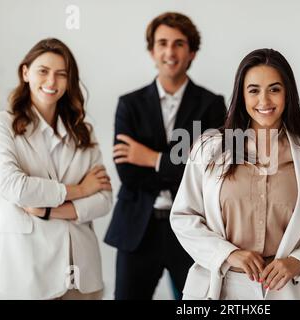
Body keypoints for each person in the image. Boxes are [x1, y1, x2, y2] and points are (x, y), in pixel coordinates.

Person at [170, 48, 300, 300]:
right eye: (253, 90)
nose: (264, 101)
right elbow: (183, 217)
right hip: (224, 287)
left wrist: (298, 261)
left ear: (288, 94)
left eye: (274, 89)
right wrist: (227, 254)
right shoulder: (208, 149)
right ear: (241, 96)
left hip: (289, 288)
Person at [104, 12, 227, 299]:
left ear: (192, 52)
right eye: (162, 43)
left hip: (193, 229)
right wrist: (180, 164)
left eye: (179, 44)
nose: (170, 52)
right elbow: (128, 174)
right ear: (152, 51)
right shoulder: (129, 104)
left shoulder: (212, 106)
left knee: (198, 305)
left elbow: (211, 171)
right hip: (138, 229)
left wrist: (152, 158)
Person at [0, 38, 113, 299]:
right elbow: (15, 187)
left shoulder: (84, 132)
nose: (52, 82)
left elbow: (104, 199)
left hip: (81, 273)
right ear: (25, 73)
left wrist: (50, 211)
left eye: (61, 74)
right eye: (43, 71)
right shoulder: (4, 126)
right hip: (28, 273)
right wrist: (81, 189)